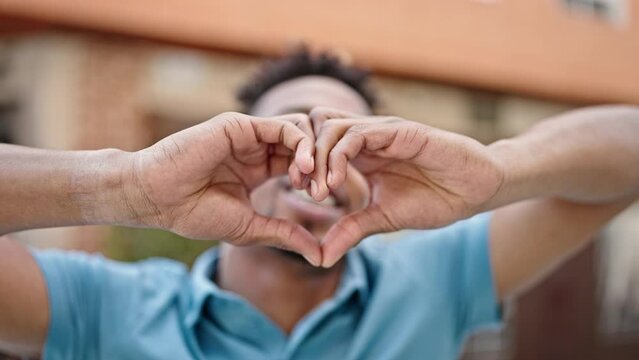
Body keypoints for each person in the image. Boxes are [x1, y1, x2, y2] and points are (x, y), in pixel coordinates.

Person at [0, 47, 638, 360]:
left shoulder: (433, 280)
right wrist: (127, 186)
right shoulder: (101, 308)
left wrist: (500, 171)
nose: (318, 167)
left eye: (350, 142)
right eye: (285, 136)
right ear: (227, 158)